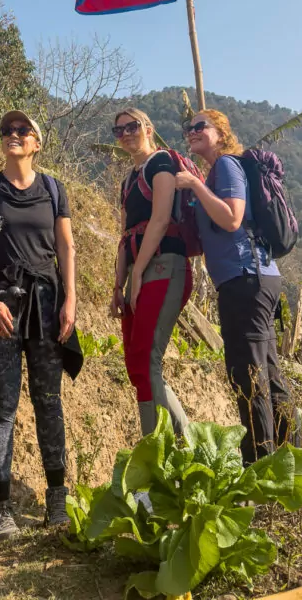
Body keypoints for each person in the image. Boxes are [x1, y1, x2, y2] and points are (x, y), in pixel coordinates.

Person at [0, 111, 78, 542]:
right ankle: (0, 509)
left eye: (22, 132)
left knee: (49, 402)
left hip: (47, 303)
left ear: (37, 143)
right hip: (1, 305)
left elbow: (66, 246)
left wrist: (71, 298)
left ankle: (57, 501)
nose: (13, 136)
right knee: (2, 408)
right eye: (7, 132)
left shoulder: (53, 188)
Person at [175, 109, 296, 464]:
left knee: (249, 376)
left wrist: (195, 185)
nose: (192, 131)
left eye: (201, 127)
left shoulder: (226, 167)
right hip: (254, 278)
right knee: (268, 374)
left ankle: (258, 467)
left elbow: (231, 218)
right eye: (189, 128)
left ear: (221, 133)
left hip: (246, 279)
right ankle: (291, 462)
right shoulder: (218, 171)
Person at [110, 108, 192, 437]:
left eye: (132, 127)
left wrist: (138, 272)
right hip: (139, 272)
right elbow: (124, 234)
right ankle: (183, 442)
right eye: (119, 130)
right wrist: (119, 283)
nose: (126, 133)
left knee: (146, 359)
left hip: (164, 266)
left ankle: (155, 457)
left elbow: (160, 219)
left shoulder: (160, 163)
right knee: (136, 365)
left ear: (148, 128)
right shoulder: (129, 179)